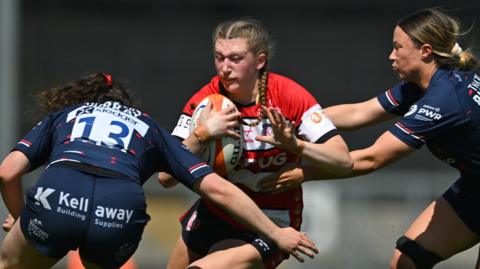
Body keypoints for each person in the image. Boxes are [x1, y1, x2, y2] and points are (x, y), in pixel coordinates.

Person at [0, 73, 318, 269]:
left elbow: (7, 173)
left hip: (60, 195)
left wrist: (21, 218)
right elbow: (216, 189)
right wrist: (276, 233)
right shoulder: (148, 126)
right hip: (117, 208)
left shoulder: (65, 115)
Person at [257, 7, 480, 269]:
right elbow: (359, 113)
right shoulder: (421, 87)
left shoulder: (442, 101)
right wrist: (293, 121)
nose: (391, 56)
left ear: (426, 52)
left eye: (398, 48)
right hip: (474, 189)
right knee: (406, 261)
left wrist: (304, 170)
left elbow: (369, 160)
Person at [158, 19, 352, 269]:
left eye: (235, 58)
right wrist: (202, 134)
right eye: (219, 57)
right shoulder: (206, 102)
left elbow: (343, 161)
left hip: (272, 221)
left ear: (260, 61)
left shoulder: (289, 97)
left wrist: (297, 146)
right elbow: (165, 177)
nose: (225, 68)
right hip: (216, 210)